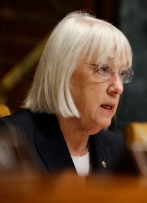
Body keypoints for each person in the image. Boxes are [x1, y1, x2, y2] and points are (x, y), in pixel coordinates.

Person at [0, 11, 134, 176]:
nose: (118, 87)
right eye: (104, 69)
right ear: (63, 73)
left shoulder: (117, 149)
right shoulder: (9, 140)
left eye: (122, 73)